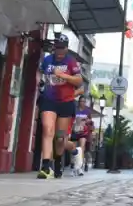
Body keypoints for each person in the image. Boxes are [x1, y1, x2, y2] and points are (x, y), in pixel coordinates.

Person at [36, 33, 84, 179]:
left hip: (66, 102)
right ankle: (45, 166)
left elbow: (79, 82)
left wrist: (63, 75)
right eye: (57, 48)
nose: (59, 51)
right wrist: (40, 82)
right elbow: (40, 72)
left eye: (62, 48)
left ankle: (58, 164)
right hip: (49, 99)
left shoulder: (71, 62)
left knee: (60, 138)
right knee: (47, 129)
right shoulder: (47, 60)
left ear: (66, 48)